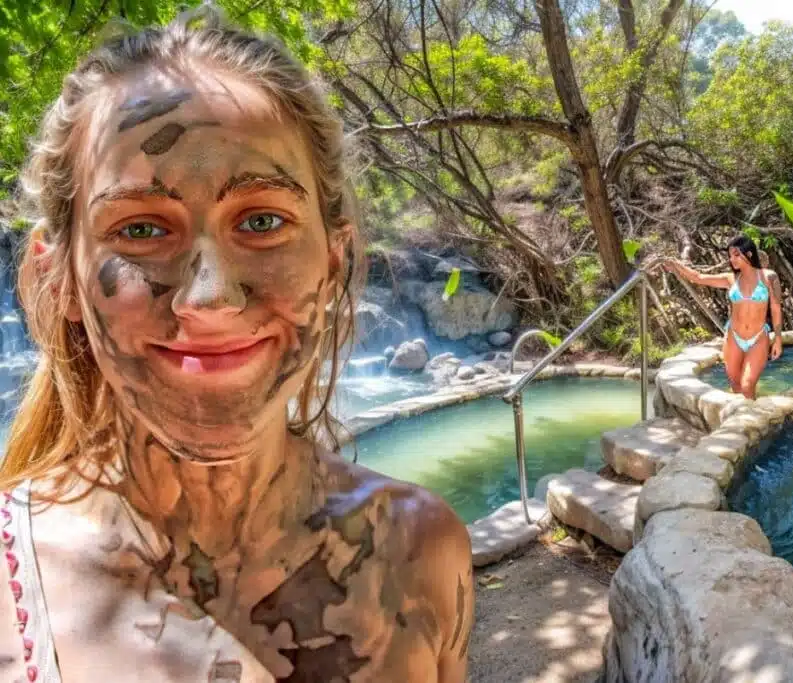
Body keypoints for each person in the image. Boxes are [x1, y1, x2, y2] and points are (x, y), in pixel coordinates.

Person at [0, 7, 473, 682]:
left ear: (333, 261)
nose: (208, 300)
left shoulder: (425, 550)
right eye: (139, 229)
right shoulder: (11, 590)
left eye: (261, 219)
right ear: (59, 279)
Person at [653, 236, 784, 399]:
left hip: (758, 338)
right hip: (733, 337)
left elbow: (776, 308)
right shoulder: (731, 279)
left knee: (747, 385)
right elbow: (698, 278)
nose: (732, 259)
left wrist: (778, 338)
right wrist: (675, 265)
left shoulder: (769, 277)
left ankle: (752, 421)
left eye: (736, 254)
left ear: (749, 254)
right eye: (730, 255)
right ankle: (741, 420)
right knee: (736, 386)